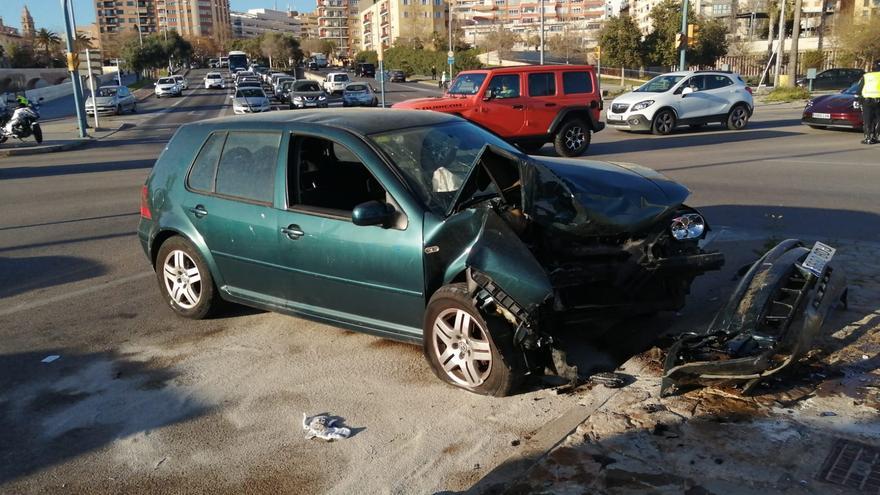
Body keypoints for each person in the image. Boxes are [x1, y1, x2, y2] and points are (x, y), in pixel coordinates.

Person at [859, 70, 880, 145]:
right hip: (878, 100)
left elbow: (860, 89)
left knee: (867, 119)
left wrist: (859, 100)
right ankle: (875, 137)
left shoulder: (867, 76)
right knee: (878, 119)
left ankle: (868, 138)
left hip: (867, 101)